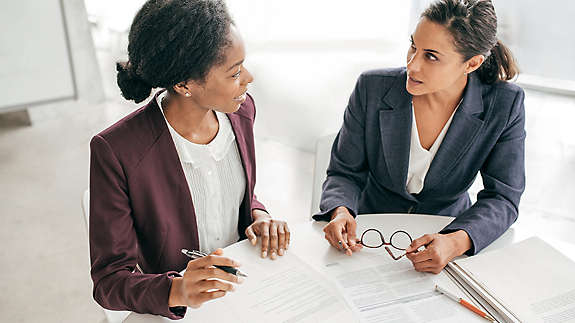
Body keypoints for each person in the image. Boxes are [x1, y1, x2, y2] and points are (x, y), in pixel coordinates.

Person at [89, 0, 290, 319]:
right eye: (235, 72)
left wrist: (258, 216)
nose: (248, 79)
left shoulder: (241, 112)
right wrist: (178, 290)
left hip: (242, 290)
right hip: (178, 310)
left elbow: (237, 194)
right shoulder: (116, 150)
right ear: (184, 85)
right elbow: (108, 281)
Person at [315, 0, 524, 274]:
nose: (412, 66)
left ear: (471, 63)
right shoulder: (372, 88)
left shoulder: (504, 104)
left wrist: (456, 241)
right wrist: (341, 210)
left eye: (431, 56)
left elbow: (503, 198)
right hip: (368, 235)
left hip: (445, 234)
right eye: (413, 46)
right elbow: (345, 172)